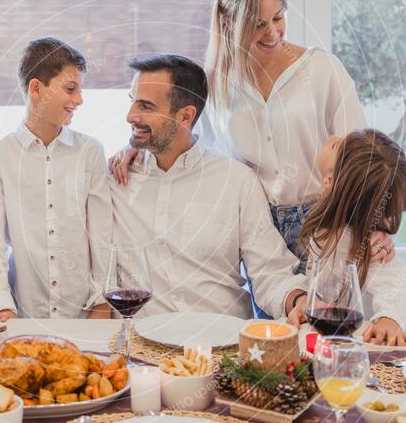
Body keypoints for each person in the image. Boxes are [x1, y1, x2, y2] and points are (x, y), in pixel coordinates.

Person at [110, 0, 394, 318]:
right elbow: (181, 132)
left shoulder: (322, 71)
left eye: (278, 17)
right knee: (274, 349)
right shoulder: (217, 83)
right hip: (256, 226)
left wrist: (375, 225)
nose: (272, 31)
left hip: (326, 221)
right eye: (258, 23)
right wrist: (132, 145)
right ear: (228, 22)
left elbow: (363, 156)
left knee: (330, 334)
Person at [110, 54, 307, 319]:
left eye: (145, 106)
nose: (130, 116)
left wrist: (300, 302)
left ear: (185, 116)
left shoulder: (236, 181)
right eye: (132, 101)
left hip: (221, 346)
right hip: (141, 349)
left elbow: (270, 272)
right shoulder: (116, 177)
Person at [0, 38, 112, 321]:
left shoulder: (90, 152)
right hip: (23, 314)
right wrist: (0, 306)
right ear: (36, 88)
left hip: (84, 314)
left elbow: (103, 236)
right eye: (70, 89)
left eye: (80, 90)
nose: (79, 100)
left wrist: (102, 302)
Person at [286, 129, 406, 346]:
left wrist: (390, 319)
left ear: (329, 181)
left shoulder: (365, 245)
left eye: (337, 148)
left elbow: (405, 282)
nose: (335, 138)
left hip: (344, 348)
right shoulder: (330, 221)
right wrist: (307, 303)